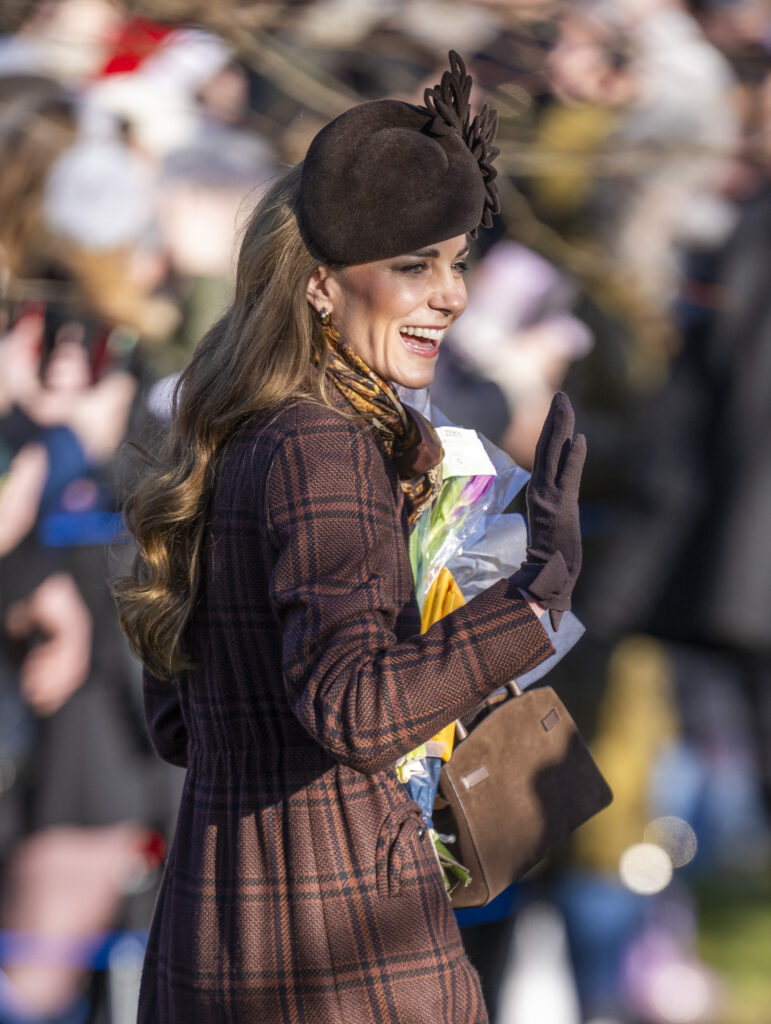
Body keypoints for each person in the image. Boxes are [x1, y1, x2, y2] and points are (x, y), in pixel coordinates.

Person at [114, 52, 585, 1023]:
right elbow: (356, 707)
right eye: (412, 266)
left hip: (216, 932)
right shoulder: (321, 446)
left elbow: (182, 723)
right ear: (321, 285)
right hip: (338, 956)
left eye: (455, 263)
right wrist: (530, 603)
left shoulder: (240, 436)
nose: (450, 296)